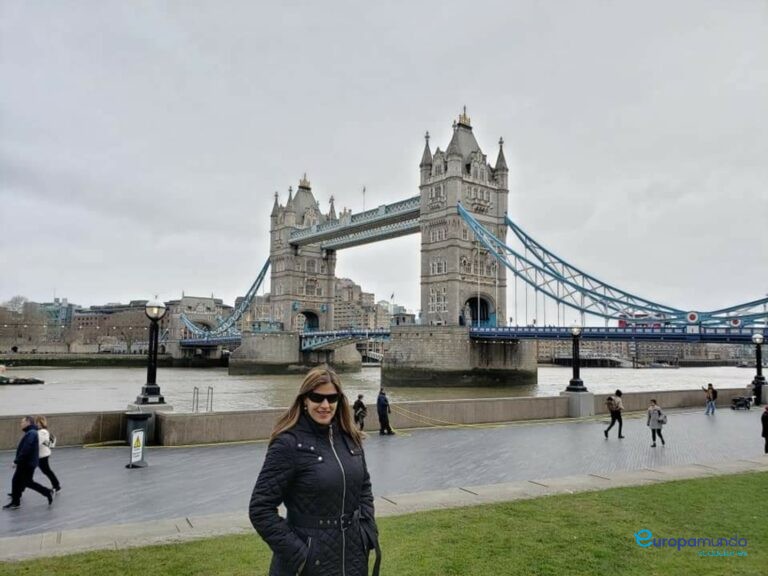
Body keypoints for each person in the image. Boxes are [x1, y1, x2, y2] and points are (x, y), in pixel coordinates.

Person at [249, 366, 381, 576]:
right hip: (309, 565)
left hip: (353, 557)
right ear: (304, 400)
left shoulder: (350, 438)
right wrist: (301, 556)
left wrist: (367, 529)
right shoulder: (288, 444)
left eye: (332, 398)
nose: (325, 405)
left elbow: (364, 487)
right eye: (317, 397)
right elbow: (260, 509)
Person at [3, 416, 54, 510]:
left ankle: (46, 492)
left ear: (28, 422)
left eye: (22, 422)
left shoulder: (31, 433)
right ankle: (16, 501)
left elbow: (26, 449)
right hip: (27, 463)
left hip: (26, 463)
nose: (21, 424)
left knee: (24, 482)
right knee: (21, 481)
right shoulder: (31, 432)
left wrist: (17, 461)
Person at [35, 415, 61, 493]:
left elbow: (37, 443)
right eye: (37, 423)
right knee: (46, 471)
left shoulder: (42, 432)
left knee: (47, 471)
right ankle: (56, 485)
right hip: (42, 454)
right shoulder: (41, 431)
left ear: (42, 423)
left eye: (39, 423)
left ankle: (56, 485)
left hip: (42, 455)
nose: (37, 424)